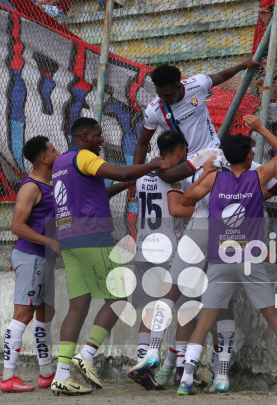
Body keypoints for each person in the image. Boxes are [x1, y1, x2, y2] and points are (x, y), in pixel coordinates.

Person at [176, 115, 277, 396]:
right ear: (249, 157)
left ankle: (186, 378)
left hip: (219, 261)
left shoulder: (214, 179)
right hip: (249, 261)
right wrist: (260, 128)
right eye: (251, 152)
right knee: (273, 317)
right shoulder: (258, 177)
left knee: (204, 322)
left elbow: (186, 199)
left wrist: (205, 172)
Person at [50, 117, 171, 395]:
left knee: (78, 307)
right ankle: (87, 355)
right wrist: (154, 164)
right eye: (97, 135)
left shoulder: (61, 163)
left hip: (68, 240)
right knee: (118, 298)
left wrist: (127, 183)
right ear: (83, 136)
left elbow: (96, 193)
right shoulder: (84, 156)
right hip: (92, 236)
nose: (101, 139)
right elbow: (119, 172)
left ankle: (61, 374)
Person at [129, 130, 190, 391]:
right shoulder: (174, 178)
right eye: (185, 153)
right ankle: (175, 367)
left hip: (144, 247)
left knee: (150, 308)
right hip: (168, 249)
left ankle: (142, 360)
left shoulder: (142, 175)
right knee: (181, 308)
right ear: (179, 151)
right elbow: (177, 209)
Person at [0, 136, 61, 393]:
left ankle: (46, 373)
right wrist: (49, 241)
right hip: (32, 256)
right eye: (53, 149)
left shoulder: (51, 184)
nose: (58, 152)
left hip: (44, 258)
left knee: (45, 313)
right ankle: (8, 377)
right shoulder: (31, 188)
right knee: (23, 315)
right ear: (44, 158)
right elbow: (17, 226)